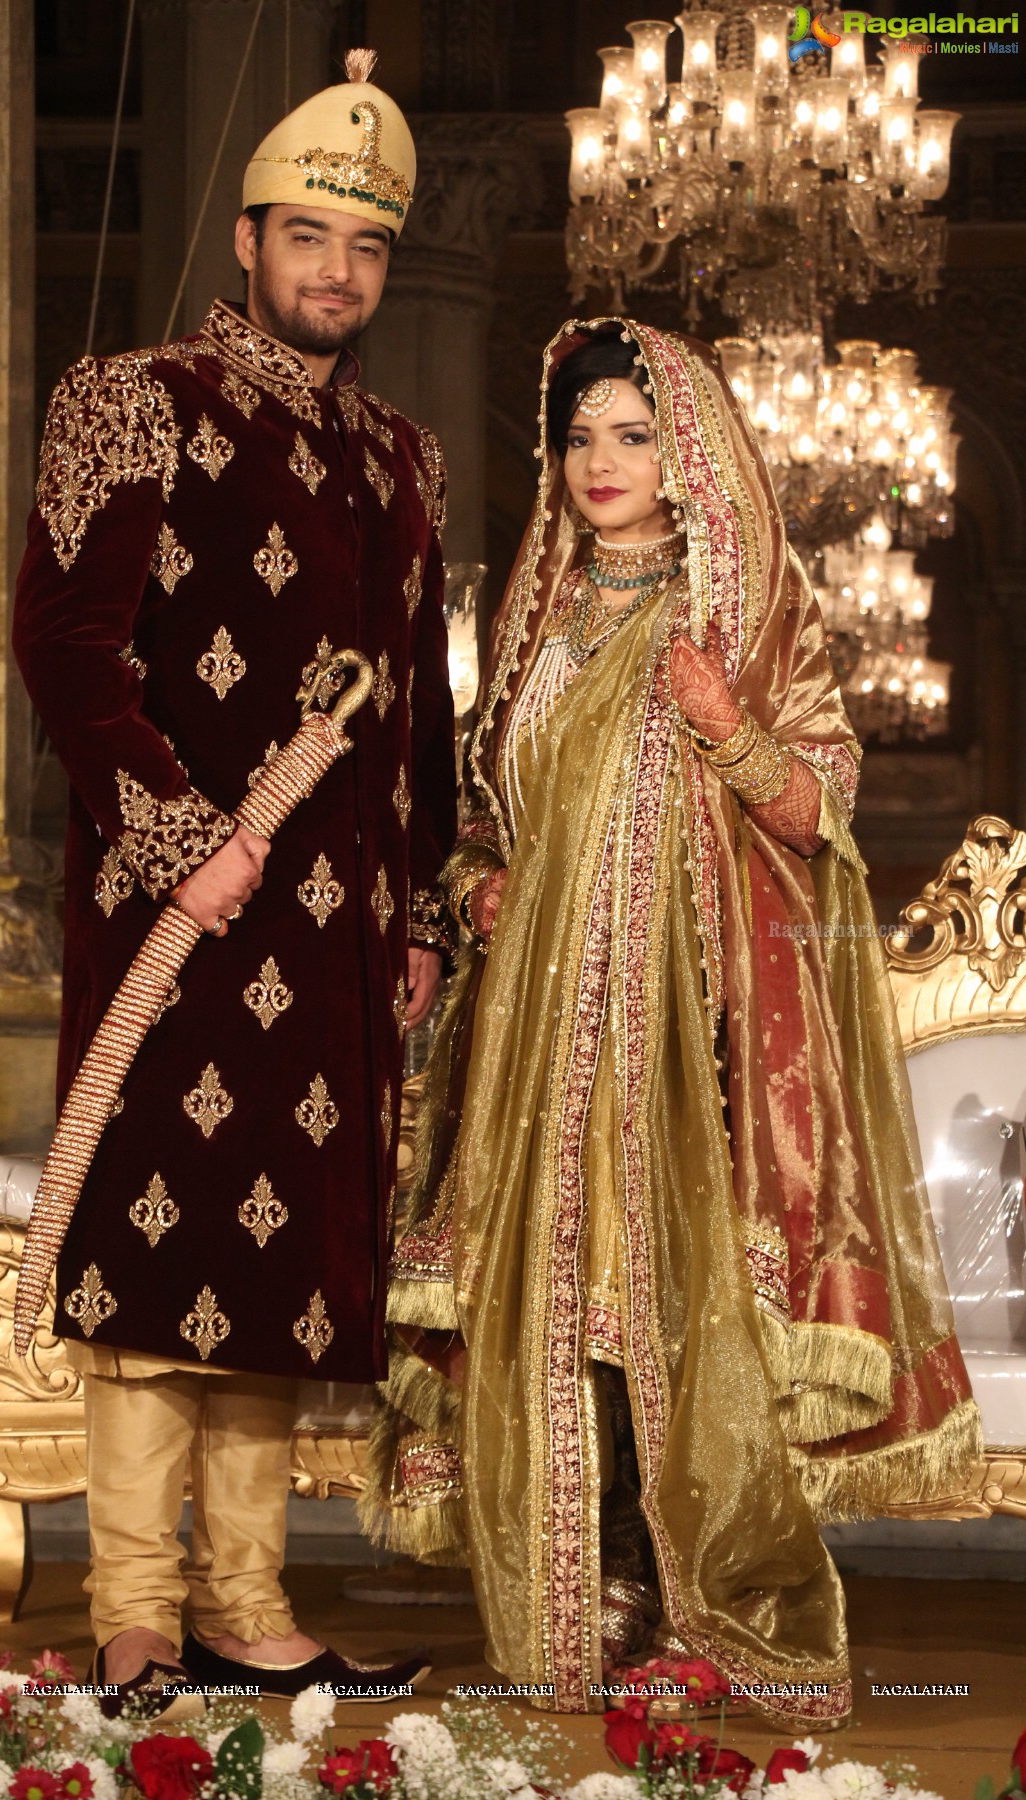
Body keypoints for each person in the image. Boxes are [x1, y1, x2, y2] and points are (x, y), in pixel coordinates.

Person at [361, 319, 979, 1730]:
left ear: (684, 453)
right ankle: (588, 1598)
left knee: (667, 1313)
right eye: (580, 437)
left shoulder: (740, 610)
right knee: (551, 1309)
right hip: (532, 1044)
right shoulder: (530, 627)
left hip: (685, 1035)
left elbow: (819, 813)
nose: (600, 461)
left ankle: (707, 1596)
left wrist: (726, 724)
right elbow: (480, 820)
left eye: (633, 435)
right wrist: (480, 885)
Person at [13, 51, 456, 1715]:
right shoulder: (132, 397)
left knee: (281, 1255)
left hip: (336, 932)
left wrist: (414, 912)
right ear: (254, 237)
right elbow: (66, 645)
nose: (338, 272)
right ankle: (135, 1609)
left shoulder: (403, 458)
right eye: (310, 237)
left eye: (367, 248)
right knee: (156, 1238)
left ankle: (249, 1604)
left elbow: (420, 703)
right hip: (174, 909)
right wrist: (183, 842)